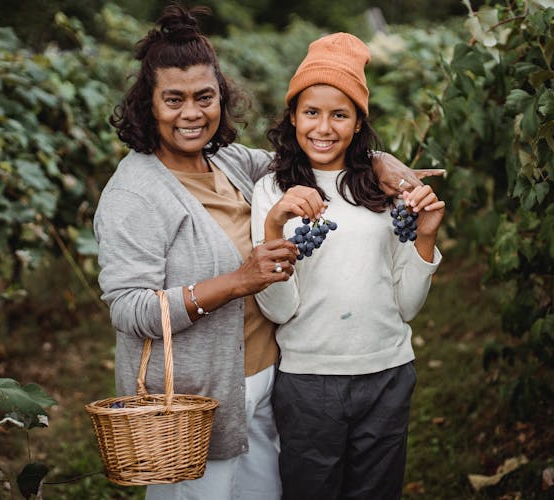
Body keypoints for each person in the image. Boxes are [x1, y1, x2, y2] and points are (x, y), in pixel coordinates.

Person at [94, 5, 440, 499]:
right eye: (173, 99)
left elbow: (316, 154)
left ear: (221, 100)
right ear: (147, 105)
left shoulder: (231, 163)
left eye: (204, 97)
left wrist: (377, 159)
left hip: (264, 382)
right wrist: (238, 281)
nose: (191, 113)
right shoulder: (135, 194)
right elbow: (130, 309)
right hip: (198, 400)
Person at [251, 32, 446, 499]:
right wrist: (275, 229)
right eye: (311, 112)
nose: (324, 127)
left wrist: (426, 236)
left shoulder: (386, 191)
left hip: (388, 371)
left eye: (340, 114)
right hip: (308, 379)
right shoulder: (273, 191)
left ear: (358, 122)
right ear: (293, 116)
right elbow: (279, 310)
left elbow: (407, 306)